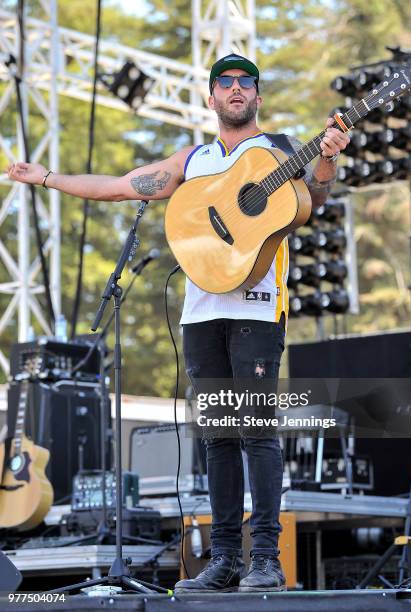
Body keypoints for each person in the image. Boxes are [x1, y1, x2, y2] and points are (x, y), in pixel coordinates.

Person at [8, 53, 350, 593]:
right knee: (216, 438)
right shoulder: (193, 161)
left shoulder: (280, 149)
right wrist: (46, 177)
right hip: (201, 313)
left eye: (246, 82)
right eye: (225, 82)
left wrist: (328, 160)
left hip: (258, 308)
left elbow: (318, 198)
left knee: (257, 433)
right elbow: (122, 186)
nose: (236, 89)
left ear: (257, 96)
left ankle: (266, 557)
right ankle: (225, 559)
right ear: (211, 97)